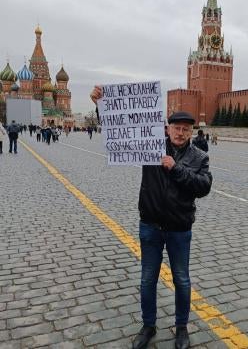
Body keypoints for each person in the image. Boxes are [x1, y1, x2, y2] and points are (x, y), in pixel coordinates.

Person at [90, 87, 212, 349]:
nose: (181, 133)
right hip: (150, 226)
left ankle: (181, 328)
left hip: (179, 229)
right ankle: (148, 326)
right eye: (176, 128)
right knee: (147, 279)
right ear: (167, 129)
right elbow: (120, 131)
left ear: (192, 132)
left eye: (186, 129)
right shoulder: (149, 146)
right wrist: (101, 105)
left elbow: (203, 187)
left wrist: (175, 168)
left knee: (182, 279)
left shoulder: (199, 157)